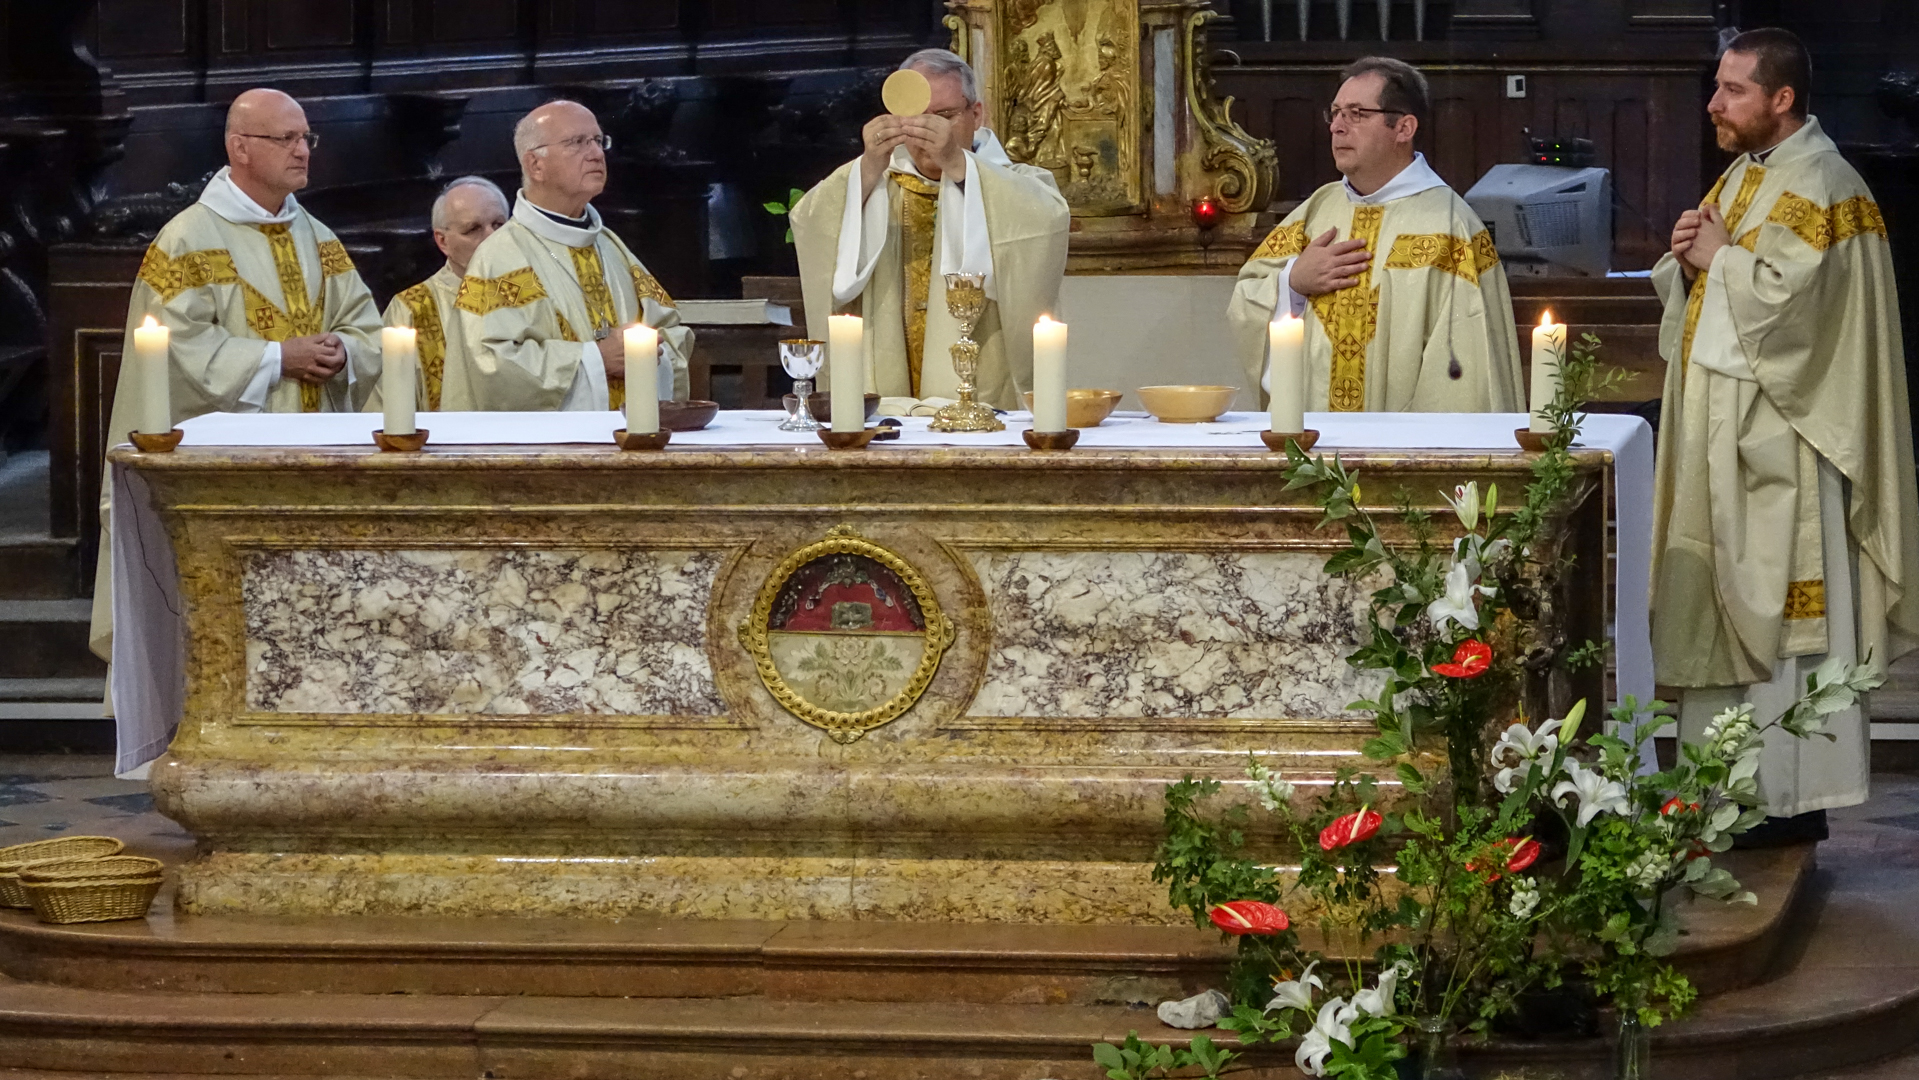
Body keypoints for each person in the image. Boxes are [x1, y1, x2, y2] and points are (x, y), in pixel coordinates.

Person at [1650, 28, 1919, 829]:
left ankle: (1783, 801)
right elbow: (1714, 288)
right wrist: (1685, 264)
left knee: (1786, 618)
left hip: (1789, 456)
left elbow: (1799, 325)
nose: (1713, 104)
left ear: (1781, 99)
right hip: (1723, 442)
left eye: (1731, 90)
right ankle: (1722, 794)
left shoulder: (1827, 186)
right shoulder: (1745, 176)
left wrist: (1721, 261)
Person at [90, 88, 383, 666]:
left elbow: (368, 328)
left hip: (320, 461)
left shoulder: (318, 236)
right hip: (227, 474)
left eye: (307, 138)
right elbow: (178, 349)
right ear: (240, 147)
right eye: (287, 139)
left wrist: (343, 353)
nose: (303, 150)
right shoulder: (187, 240)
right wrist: (280, 358)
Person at [1228, 57, 1523, 413]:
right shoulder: (1317, 211)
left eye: (1356, 113)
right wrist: (1293, 281)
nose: (1337, 126)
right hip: (1310, 447)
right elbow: (1248, 295)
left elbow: (1465, 376)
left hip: (1403, 454)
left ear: (1404, 128)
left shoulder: (1451, 229)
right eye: (1335, 113)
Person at [790, 48, 1069, 411]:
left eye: (945, 116)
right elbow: (811, 222)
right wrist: (868, 166)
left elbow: (1045, 222)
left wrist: (957, 163)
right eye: (917, 118)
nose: (929, 131)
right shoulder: (877, 183)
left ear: (976, 113)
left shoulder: (1016, 183)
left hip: (984, 389)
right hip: (890, 387)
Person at [457, 99, 690, 411]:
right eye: (577, 142)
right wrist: (596, 359)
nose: (596, 153)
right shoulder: (500, 258)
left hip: (632, 438)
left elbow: (672, 333)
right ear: (534, 165)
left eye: (598, 140)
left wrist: (649, 352)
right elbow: (492, 365)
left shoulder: (612, 247)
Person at [379, 176, 510, 411]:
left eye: (499, 225)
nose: (492, 238)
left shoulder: (538, 294)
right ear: (443, 241)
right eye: (473, 229)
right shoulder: (412, 309)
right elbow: (387, 409)